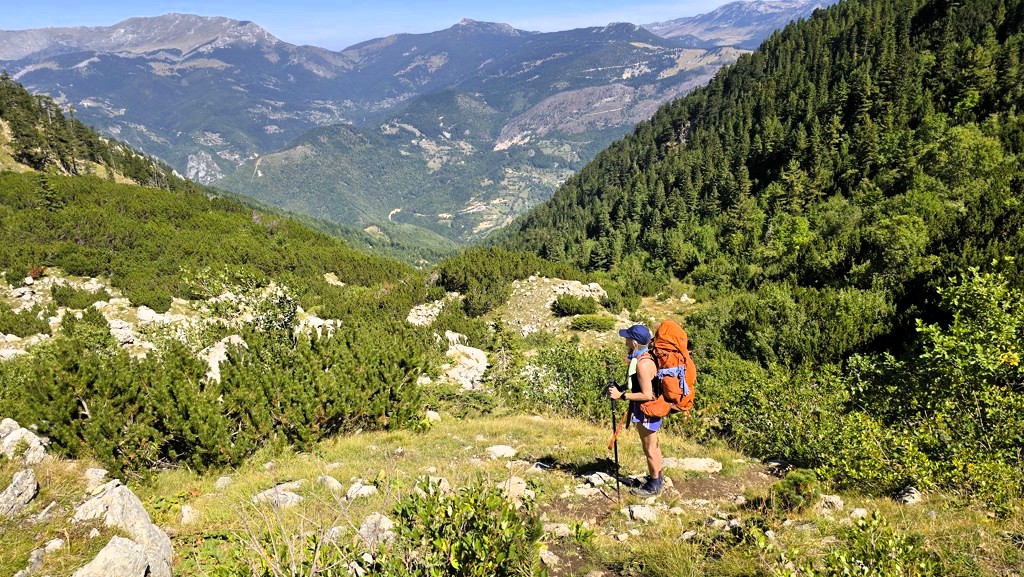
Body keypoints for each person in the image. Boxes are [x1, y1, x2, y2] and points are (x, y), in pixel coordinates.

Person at [607, 324, 663, 496]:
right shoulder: (646, 357)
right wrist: (622, 388)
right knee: (654, 445)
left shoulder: (642, 365)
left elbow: (647, 395)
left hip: (647, 411)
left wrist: (621, 396)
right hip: (650, 410)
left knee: (650, 449)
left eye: (628, 338)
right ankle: (657, 477)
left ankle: (654, 485)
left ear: (635, 342)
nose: (625, 341)